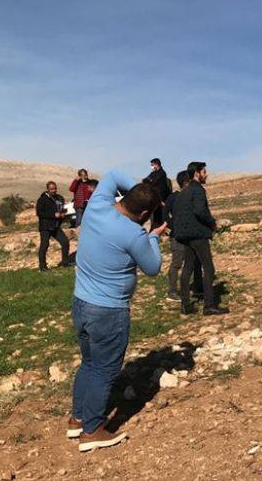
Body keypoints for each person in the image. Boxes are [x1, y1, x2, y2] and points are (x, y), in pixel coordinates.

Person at [69, 170, 165, 452]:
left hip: (80, 303)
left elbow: (111, 174)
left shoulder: (97, 206)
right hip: (108, 311)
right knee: (104, 370)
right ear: (145, 213)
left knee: (88, 363)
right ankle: (92, 430)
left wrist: (142, 187)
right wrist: (154, 238)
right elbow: (153, 268)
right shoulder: (135, 234)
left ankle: (77, 420)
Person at [173, 161, 228, 316]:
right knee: (209, 267)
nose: (207, 174)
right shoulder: (198, 190)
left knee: (188, 268)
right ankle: (209, 305)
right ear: (197, 173)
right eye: (204, 172)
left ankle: (185, 305)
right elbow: (200, 211)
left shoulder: (183, 192)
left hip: (185, 236)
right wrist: (212, 223)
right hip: (198, 234)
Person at [164, 170, 203, 301]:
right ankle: (172, 291)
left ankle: (198, 289)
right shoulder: (173, 198)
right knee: (177, 263)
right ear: (186, 183)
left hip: (192, 235)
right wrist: (173, 227)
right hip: (178, 237)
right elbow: (164, 214)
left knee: (197, 262)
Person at [36, 181, 71, 271]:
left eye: (55, 188)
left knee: (65, 242)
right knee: (44, 245)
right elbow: (39, 213)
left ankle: (65, 262)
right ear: (47, 189)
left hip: (55, 226)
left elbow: (63, 209)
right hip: (45, 226)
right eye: (51, 189)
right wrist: (53, 215)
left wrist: (63, 214)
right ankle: (42, 266)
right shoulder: (42, 199)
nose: (54, 190)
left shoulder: (59, 198)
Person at [143, 158, 171, 229]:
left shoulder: (162, 173)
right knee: (155, 217)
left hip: (161, 199)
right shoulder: (153, 173)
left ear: (156, 164)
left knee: (160, 217)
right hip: (155, 199)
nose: (151, 167)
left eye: (152, 165)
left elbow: (155, 183)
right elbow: (146, 180)